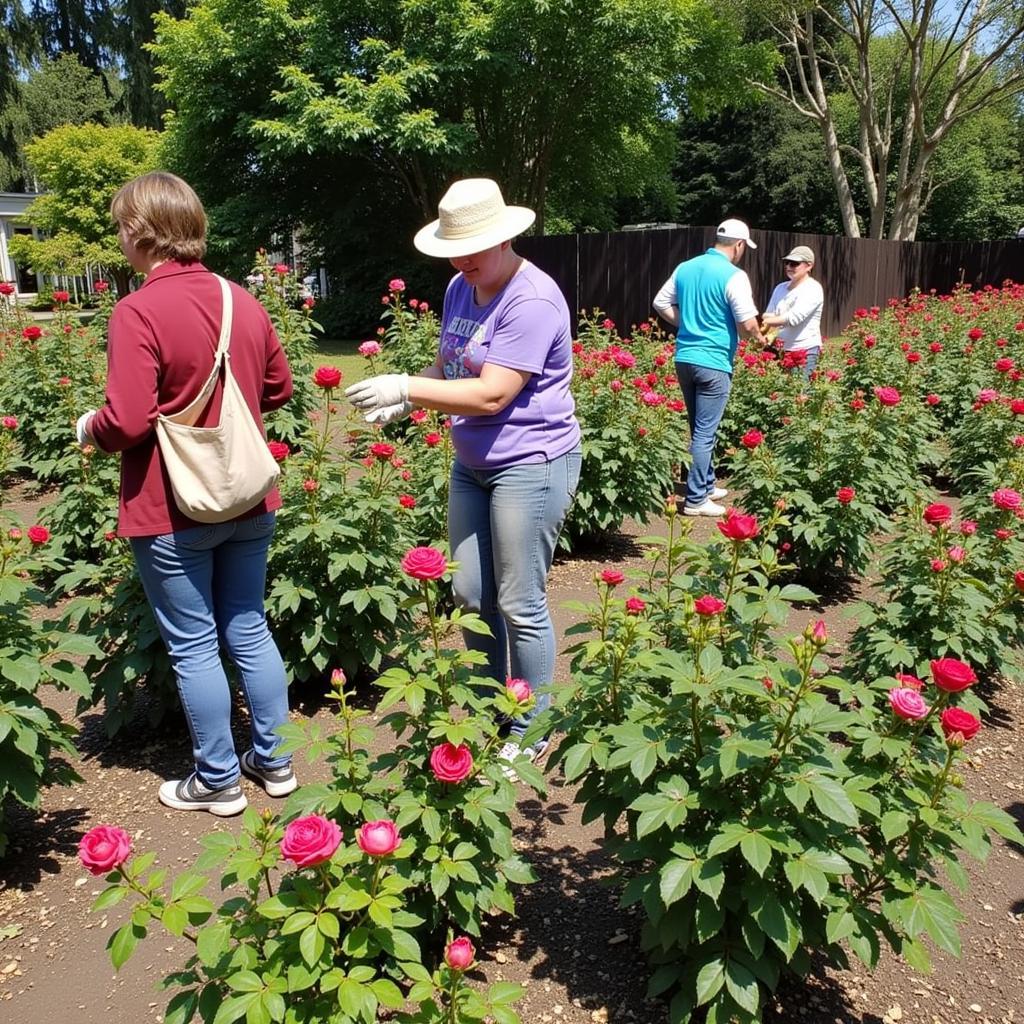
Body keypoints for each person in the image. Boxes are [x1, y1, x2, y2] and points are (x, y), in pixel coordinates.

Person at [76, 171, 296, 816]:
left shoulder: (138, 310)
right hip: (249, 499)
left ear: (139, 232)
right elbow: (280, 389)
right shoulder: (241, 301)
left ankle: (218, 780)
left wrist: (88, 425)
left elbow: (126, 422)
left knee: (194, 643)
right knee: (249, 628)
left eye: (121, 227)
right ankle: (276, 763)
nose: (120, 238)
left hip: (171, 507)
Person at [345, 178, 581, 775]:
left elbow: (493, 393)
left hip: (532, 462)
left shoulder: (532, 299)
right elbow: (453, 364)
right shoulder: (460, 286)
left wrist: (406, 387)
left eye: (475, 246)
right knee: (472, 595)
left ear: (506, 237)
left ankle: (532, 723)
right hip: (471, 465)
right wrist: (412, 393)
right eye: (455, 247)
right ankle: (484, 710)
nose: (463, 259)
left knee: (520, 600)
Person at [652, 218, 766, 517]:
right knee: (705, 431)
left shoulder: (686, 267)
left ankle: (705, 484)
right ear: (739, 245)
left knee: (699, 426)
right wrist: (758, 338)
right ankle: (695, 501)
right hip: (713, 361)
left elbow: (660, 302)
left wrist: (688, 323)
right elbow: (746, 322)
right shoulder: (734, 275)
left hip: (684, 358)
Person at [760, 245, 824, 377]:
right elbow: (766, 314)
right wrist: (774, 318)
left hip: (805, 351)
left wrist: (772, 319)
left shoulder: (813, 288)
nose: (789, 267)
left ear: (809, 266)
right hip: (779, 349)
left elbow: (794, 319)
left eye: (794, 263)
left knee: (800, 394)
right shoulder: (780, 288)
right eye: (787, 263)